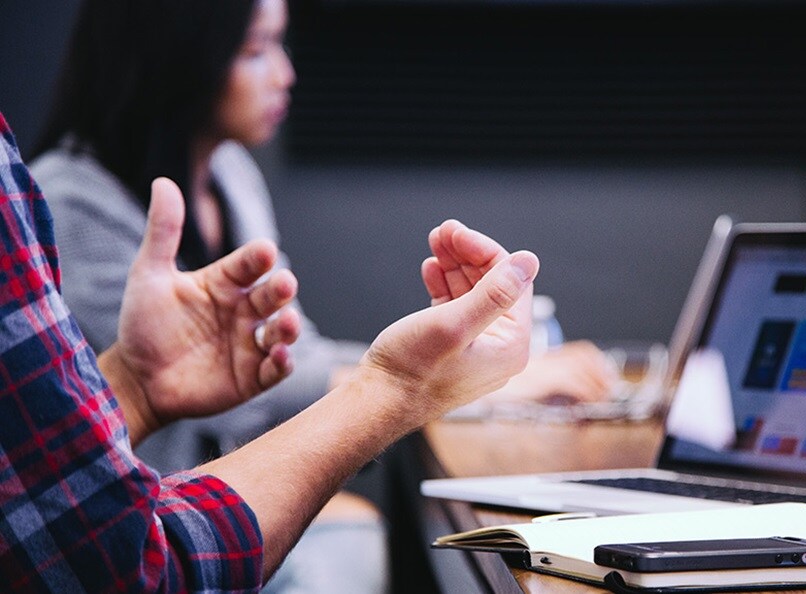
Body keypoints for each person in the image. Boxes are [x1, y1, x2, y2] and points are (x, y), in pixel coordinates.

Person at [1, 108, 540, 591]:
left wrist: (134, 387)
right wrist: (398, 388)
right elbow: (123, 569)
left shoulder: (231, 171)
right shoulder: (67, 198)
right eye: (257, 48)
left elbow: (27, 473)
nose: (285, 72)